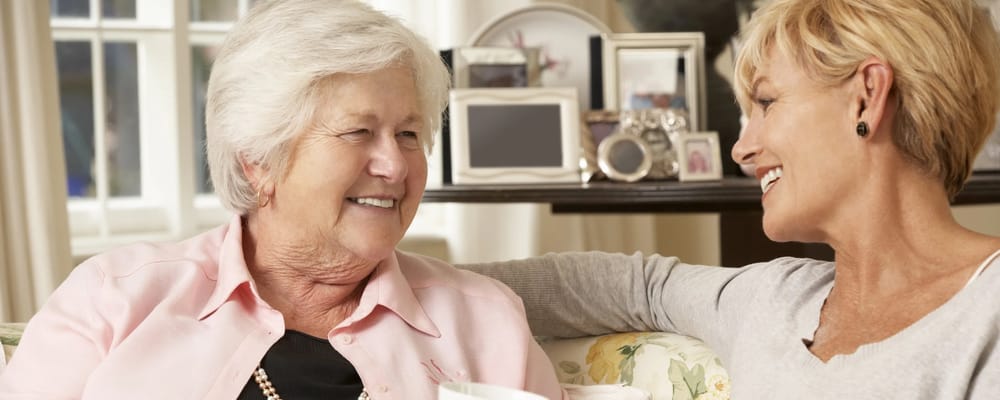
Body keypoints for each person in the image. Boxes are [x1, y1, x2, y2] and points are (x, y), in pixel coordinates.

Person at [0, 1, 566, 399]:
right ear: (259, 161)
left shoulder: (484, 318)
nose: (395, 165)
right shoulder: (114, 301)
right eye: (357, 132)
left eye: (409, 134)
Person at [461, 0, 1000, 398]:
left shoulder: (987, 310)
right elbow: (631, 285)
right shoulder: (772, 299)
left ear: (867, 96)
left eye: (767, 102)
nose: (743, 147)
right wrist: (397, 280)